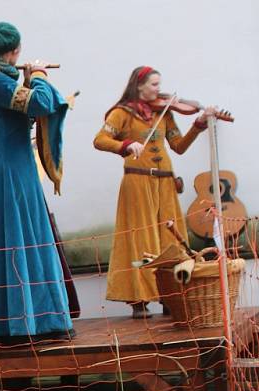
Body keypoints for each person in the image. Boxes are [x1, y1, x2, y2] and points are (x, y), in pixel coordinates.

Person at [0, 22, 77, 343]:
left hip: (5, 167)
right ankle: (24, 324)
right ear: (14, 51)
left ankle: (24, 320)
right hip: (11, 170)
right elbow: (41, 103)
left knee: (17, 238)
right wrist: (39, 75)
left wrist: (27, 79)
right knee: (24, 236)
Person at [93, 66, 216, 318]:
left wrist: (198, 124)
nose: (159, 90)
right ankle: (140, 298)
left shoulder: (165, 113)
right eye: (154, 85)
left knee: (171, 239)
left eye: (159, 84)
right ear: (139, 86)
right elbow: (100, 140)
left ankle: (171, 296)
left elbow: (178, 146)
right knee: (141, 237)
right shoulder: (122, 113)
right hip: (138, 182)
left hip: (166, 183)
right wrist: (126, 145)